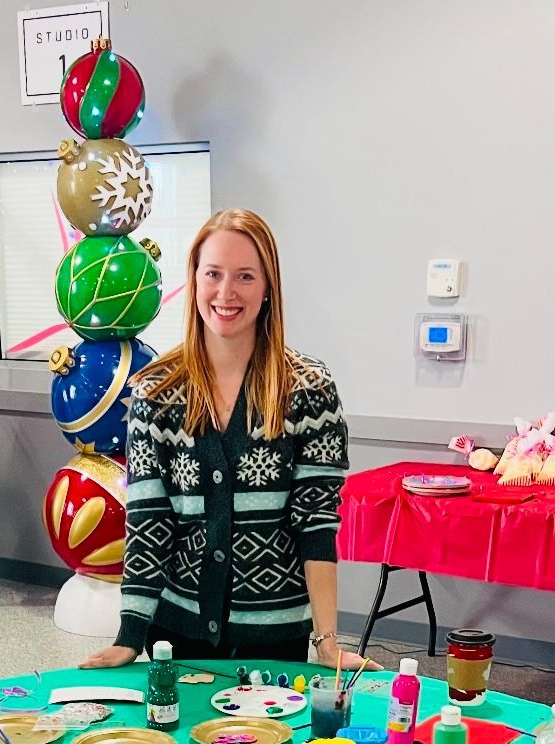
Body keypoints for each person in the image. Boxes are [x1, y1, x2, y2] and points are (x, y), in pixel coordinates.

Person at [81, 208, 376, 674]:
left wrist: (327, 642)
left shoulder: (309, 390)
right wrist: (130, 634)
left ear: (267, 289)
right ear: (194, 280)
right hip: (176, 633)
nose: (226, 292)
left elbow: (315, 526)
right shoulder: (154, 391)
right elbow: (148, 522)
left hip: (275, 636)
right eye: (213, 274)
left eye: (244, 276)